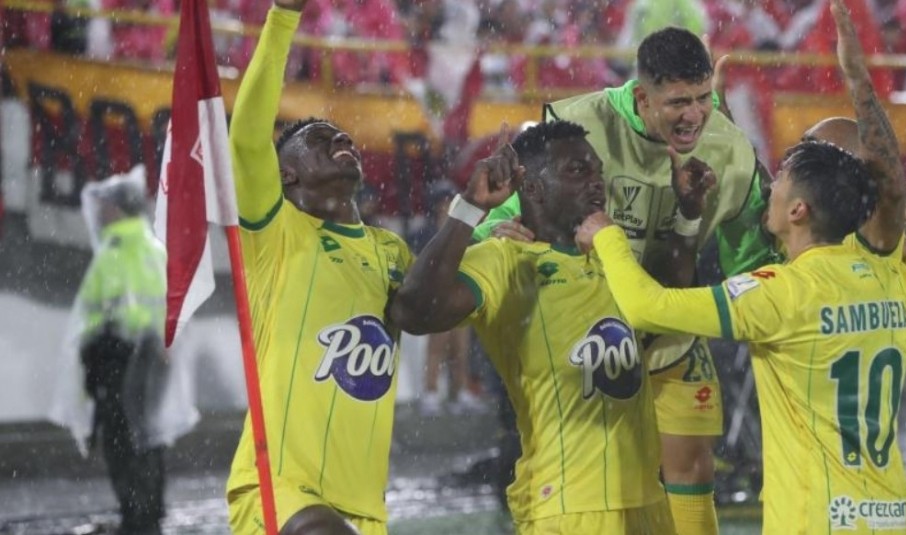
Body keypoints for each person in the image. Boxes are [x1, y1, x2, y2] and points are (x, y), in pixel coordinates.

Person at [575, 1, 906, 531]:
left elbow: (647, 307)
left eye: (788, 170)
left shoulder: (782, 293)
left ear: (802, 207)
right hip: (891, 517)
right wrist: (905, 250)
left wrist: (606, 236)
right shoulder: (893, 280)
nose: (772, 179)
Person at [474, 27, 778, 534]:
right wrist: (489, 228)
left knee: (692, 467)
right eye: (678, 101)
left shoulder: (732, 151)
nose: (695, 115)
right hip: (581, 334)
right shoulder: (576, 124)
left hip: (670, 328)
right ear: (642, 96)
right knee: (574, 477)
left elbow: (754, 260)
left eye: (705, 98)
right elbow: (509, 210)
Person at [392, 119, 714, 533]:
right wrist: (471, 210)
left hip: (647, 498)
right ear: (533, 188)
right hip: (568, 504)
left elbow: (667, 302)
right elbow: (414, 312)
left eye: (598, 171)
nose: (597, 183)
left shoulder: (609, 253)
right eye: (578, 172)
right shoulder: (507, 257)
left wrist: (687, 216)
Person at [223, 0, 413, 533]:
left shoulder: (391, 251)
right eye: (321, 140)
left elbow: (434, 299)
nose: (342, 140)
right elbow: (244, 138)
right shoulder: (274, 232)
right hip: (277, 487)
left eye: (344, 137)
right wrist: (284, 15)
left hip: (364, 508)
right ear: (286, 177)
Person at [74, 168, 171, 535]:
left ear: (118, 208)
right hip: (146, 360)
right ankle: (147, 513)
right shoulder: (149, 246)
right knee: (147, 437)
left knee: (121, 440)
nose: (98, 213)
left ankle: (136, 518)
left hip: (119, 359)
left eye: (105, 206)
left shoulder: (119, 250)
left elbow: (104, 312)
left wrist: (95, 353)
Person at [408, 179, 484, 416]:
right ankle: (430, 392)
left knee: (461, 350)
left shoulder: (463, 231)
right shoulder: (426, 232)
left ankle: (458, 391)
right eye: (443, 202)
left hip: (458, 296)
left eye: (449, 201)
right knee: (436, 347)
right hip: (435, 298)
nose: (446, 206)